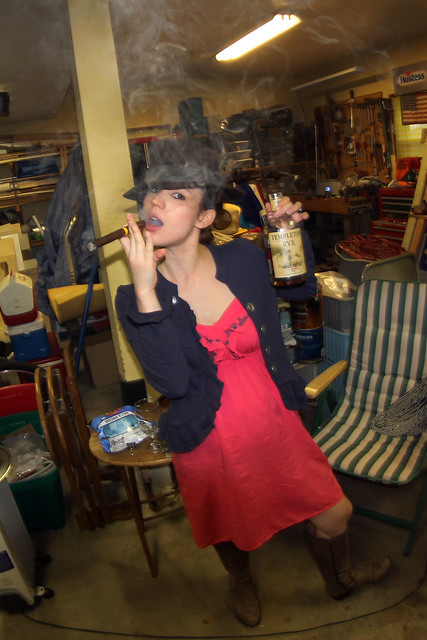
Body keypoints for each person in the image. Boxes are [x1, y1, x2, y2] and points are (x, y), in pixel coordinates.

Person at [115, 137, 390, 627]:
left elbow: (300, 287)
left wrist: (289, 236)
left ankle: (340, 577)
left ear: (204, 217)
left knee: (334, 513)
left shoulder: (241, 258)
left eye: (176, 195)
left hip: (272, 419)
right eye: (153, 193)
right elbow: (172, 382)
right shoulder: (134, 296)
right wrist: (144, 288)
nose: (156, 202)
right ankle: (240, 580)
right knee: (228, 525)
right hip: (206, 436)